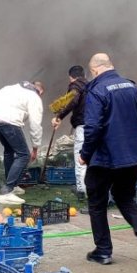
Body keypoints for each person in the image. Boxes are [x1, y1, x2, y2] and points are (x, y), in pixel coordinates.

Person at [79, 53, 137, 266]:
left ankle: (103, 251)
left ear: (94, 70)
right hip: (132, 155)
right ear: (111, 66)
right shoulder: (132, 87)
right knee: (125, 198)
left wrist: (85, 154)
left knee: (97, 202)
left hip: (105, 156)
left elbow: (93, 127)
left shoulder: (96, 90)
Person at [0, 80, 46, 205]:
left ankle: (12, 186)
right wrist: (35, 148)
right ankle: (7, 191)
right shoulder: (34, 96)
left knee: (9, 151)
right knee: (24, 155)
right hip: (9, 122)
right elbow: (35, 124)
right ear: (39, 91)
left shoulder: (11, 87)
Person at [51, 66, 90, 195]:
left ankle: (81, 189)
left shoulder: (75, 85)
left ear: (71, 77)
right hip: (97, 127)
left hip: (83, 126)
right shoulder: (92, 86)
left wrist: (59, 117)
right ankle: (94, 189)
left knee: (81, 158)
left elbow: (72, 101)